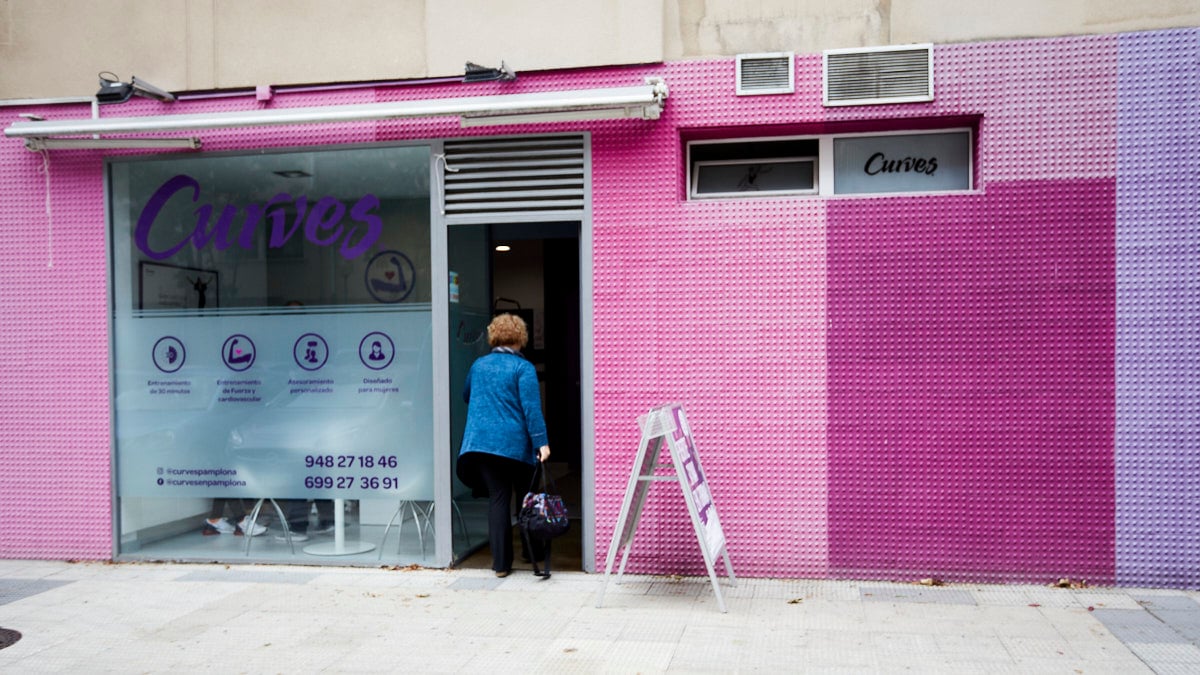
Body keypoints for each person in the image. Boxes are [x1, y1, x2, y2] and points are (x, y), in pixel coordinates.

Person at [457, 313, 551, 578]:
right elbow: (532, 410)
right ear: (521, 338)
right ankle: (531, 554)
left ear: (493, 336)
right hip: (515, 446)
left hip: (483, 446)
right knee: (526, 500)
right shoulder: (523, 368)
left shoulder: (478, 365)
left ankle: (500, 565)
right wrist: (542, 443)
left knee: (498, 500)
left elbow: (467, 395)